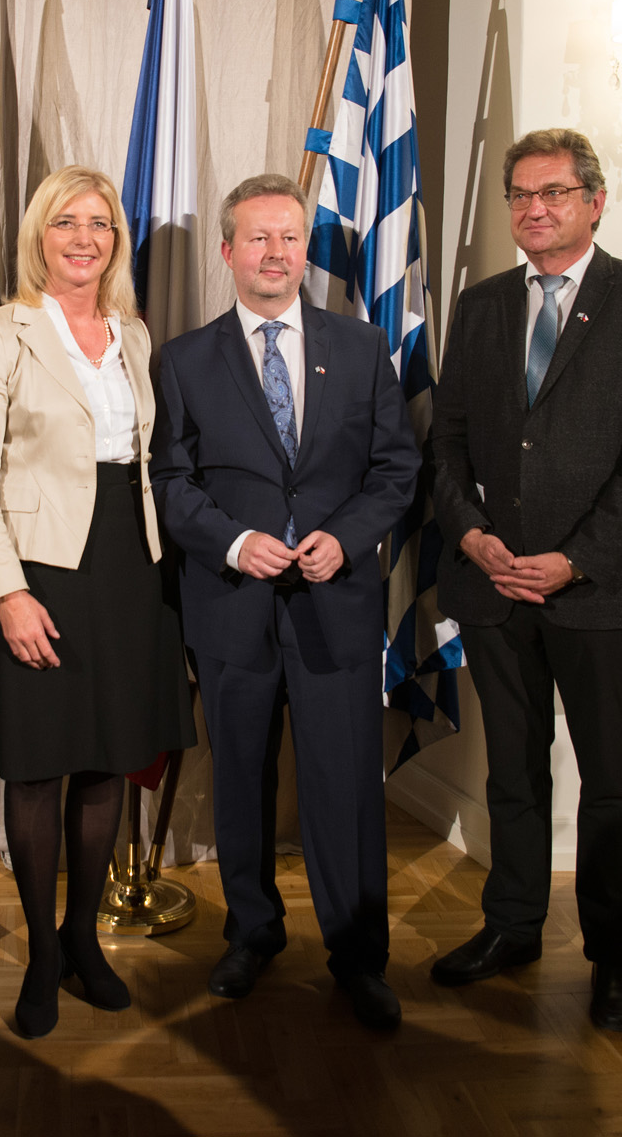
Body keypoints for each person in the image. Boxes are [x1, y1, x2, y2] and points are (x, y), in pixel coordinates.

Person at [425, 128, 622, 1033]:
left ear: (595, 201)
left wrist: (574, 558)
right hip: (495, 587)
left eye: (554, 193)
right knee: (513, 773)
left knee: (612, 780)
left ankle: (615, 959)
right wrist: (470, 534)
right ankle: (514, 926)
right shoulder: (484, 304)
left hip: (599, 592)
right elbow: (448, 441)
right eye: (521, 196)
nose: (535, 208)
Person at [150, 173, 419, 1032]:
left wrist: (347, 535)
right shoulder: (185, 359)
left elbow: (395, 471)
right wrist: (232, 540)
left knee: (345, 786)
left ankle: (358, 954)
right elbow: (170, 479)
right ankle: (252, 931)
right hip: (231, 606)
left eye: (290, 237)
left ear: (307, 248)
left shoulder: (363, 344)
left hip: (335, 604)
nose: (275, 253)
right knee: (239, 782)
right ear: (227, 251)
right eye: (257, 238)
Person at [0, 165, 197, 1039]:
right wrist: (7, 592)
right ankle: (42, 958)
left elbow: (144, 463)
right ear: (38, 236)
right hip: (40, 569)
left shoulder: (133, 332)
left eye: (99, 223)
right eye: (66, 222)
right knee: (38, 765)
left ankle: (82, 938)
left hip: (131, 569)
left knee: (106, 759)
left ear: (116, 239)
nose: (84, 237)